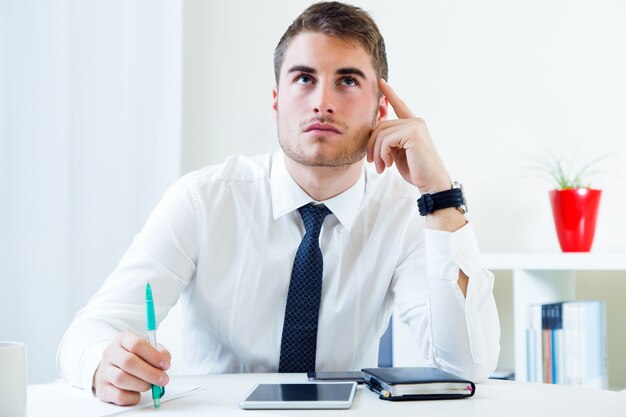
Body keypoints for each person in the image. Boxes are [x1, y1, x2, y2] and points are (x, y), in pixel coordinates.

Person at [58, 1, 500, 406]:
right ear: (276, 100)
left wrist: (439, 193)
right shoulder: (202, 201)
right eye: (304, 78)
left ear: (381, 109)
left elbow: (466, 367)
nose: (323, 103)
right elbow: (86, 333)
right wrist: (104, 364)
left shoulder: (405, 215)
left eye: (347, 81)